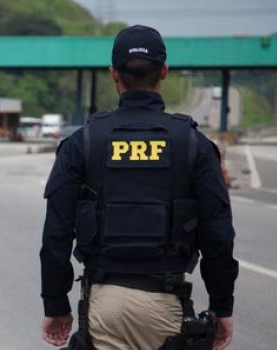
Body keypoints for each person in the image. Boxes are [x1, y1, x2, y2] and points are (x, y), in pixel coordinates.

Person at [39, 25, 238, 350]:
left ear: (113, 74)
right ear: (164, 72)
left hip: (104, 307)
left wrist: (55, 304)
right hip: (167, 306)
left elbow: (56, 235)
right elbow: (218, 237)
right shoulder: (193, 145)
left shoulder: (83, 142)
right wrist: (221, 307)